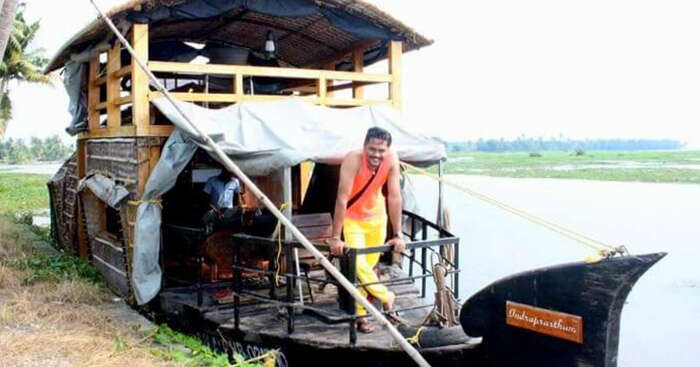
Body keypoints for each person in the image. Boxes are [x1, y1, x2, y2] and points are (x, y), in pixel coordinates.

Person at [328, 127, 406, 333]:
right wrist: (335, 237)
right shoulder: (352, 159)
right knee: (358, 264)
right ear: (364, 146)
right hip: (353, 219)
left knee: (367, 270)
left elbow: (395, 196)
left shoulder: (392, 160)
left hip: (377, 219)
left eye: (381, 150)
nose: (376, 155)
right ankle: (386, 296)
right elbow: (342, 198)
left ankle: (361, 316)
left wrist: (398, 234)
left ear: (388, 150)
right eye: (372, 149)